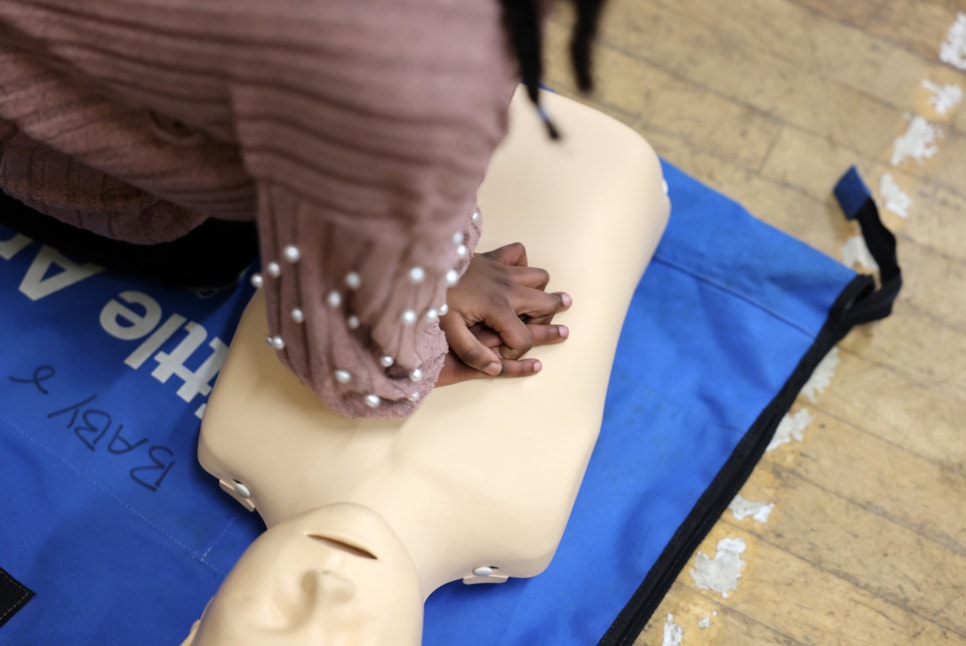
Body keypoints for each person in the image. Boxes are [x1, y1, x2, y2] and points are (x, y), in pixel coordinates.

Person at [183, 86, 671, 645]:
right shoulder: (518, 523)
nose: (329, 592)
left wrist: (419, 275)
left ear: (192, 637)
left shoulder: (235, 436)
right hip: (582, 154)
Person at [0, 0, 605, 418]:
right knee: (207, 247)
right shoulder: (391, 51)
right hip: (41, 129)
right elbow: (349, 361)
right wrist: (417, 304)